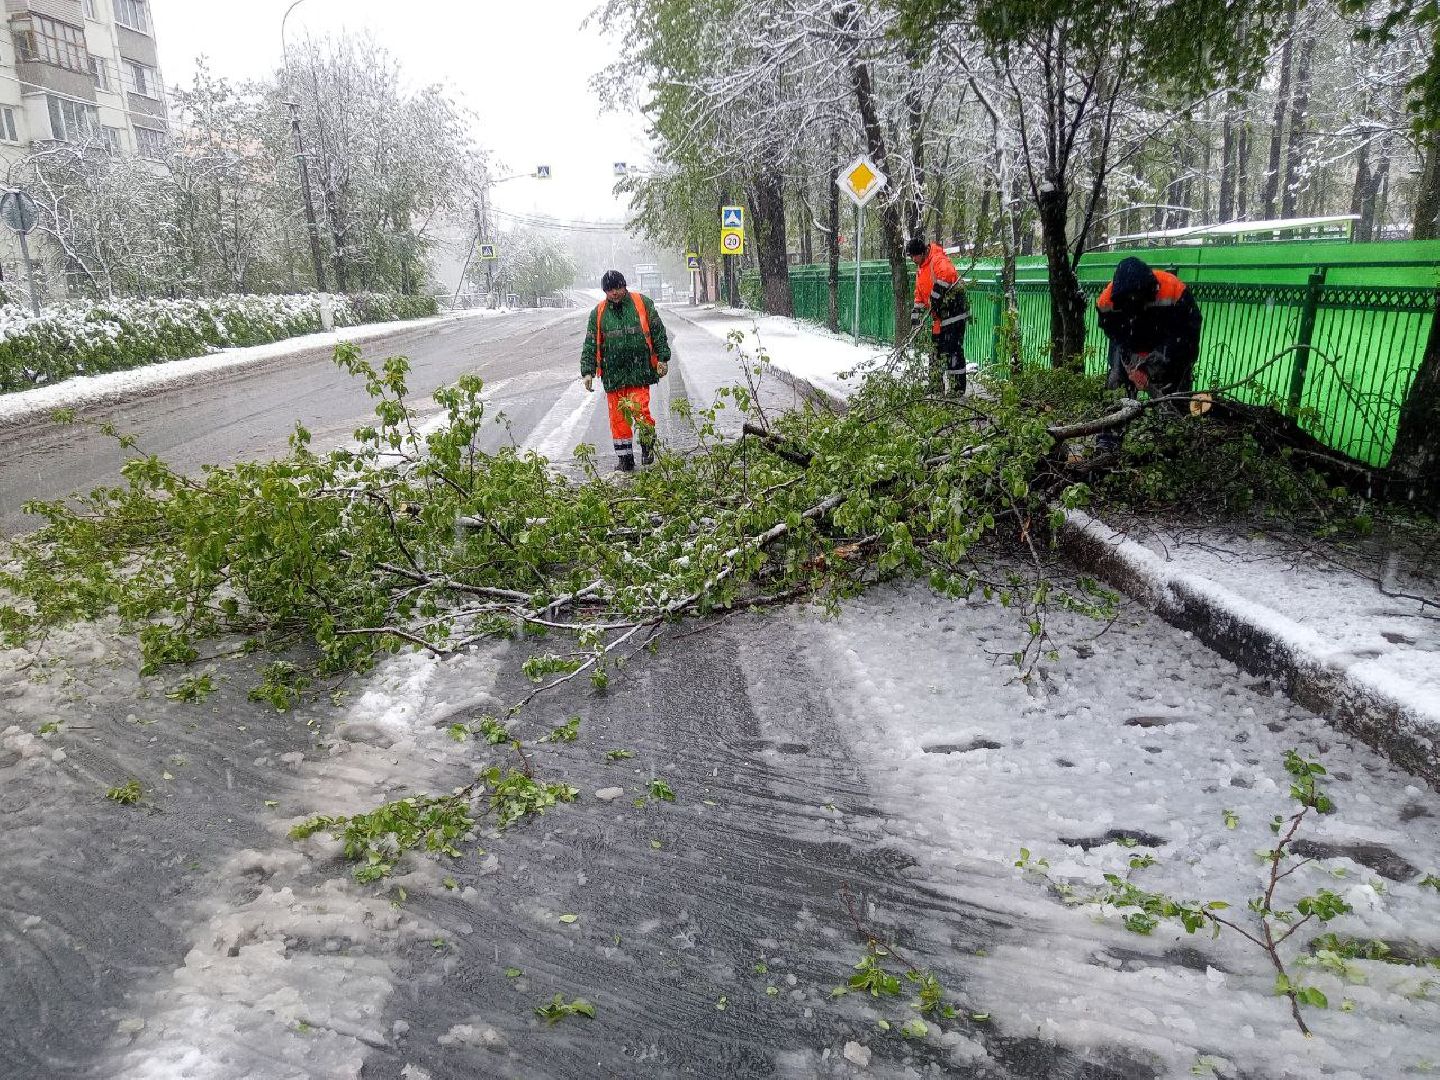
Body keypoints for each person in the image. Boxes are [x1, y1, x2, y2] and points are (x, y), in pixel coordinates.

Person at [1094, 256, 1203, 451]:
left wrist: (1154, 364)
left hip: (1171, 342)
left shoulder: (1174, 291)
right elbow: (1115, 335)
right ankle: (1109, 437)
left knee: (1173, 393)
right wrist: (1130, 364)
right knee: (1117, 382)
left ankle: (1173, 438)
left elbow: (1187, 336)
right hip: (1131, 341)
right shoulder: (1107, 302)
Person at [581, 270, 671, 472]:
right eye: (609, 290)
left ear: (624, 286)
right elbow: (590, 343)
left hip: (639, 371)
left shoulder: (642, 303)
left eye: (617, 288)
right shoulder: (598, 313)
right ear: (605, 291)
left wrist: (662, 358)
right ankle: (625, 459)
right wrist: (587, 371)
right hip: (613, 375)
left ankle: (647, 446)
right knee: (618, 420)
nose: (614, 293)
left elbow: (658, 332)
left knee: (641, 411)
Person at [906, 236, 970, 395]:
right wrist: (916, 311)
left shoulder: (937, 259)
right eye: (911, 257)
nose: (913, 259)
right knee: (935, 351)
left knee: (952, 351)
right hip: (939, 316)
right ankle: (935, 385)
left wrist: (936, 294)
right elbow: (919, 293)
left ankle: (957, 389)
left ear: (922, 252)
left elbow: (948, 274)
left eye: (914, 256)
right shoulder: (921, 269)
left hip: (953, 312)